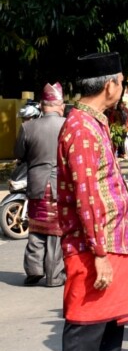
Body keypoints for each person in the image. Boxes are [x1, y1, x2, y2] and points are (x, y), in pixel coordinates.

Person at [57, 52, 128, 351]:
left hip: (114, 238)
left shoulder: (94, 122)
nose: (122, 88)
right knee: (86, 320)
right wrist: (98, 253)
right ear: (109, 85)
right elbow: (85, 195)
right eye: (122, 82)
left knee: (111, 317)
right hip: (93, 244)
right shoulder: (80, 128)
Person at [16, 82, 66, 287]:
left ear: (42, 105)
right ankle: (54, 276)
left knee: (36, 227)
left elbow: (19, 154)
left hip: (36, 183)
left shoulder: (28, 127)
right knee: (56, 231)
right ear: (61, 105)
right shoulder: (68, 125)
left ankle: (34, 270)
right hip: (59, 185)